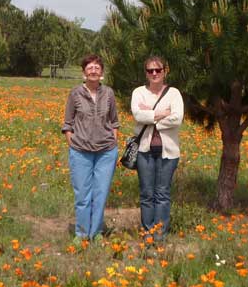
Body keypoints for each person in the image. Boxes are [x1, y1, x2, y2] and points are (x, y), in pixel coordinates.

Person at [62, 54, 120, 241]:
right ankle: (81, 234)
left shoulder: (109, 93)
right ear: (84, 72)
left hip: (106, 152)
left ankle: (96, 233)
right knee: (82, 195)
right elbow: (68, 123)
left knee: (100, 194)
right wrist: (73, 143)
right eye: (90, 67)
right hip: (80, 152)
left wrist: (113, 140)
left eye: (97, 67)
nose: (93, 70)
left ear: (102, 72)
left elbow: (114, 121)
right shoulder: (75, 93)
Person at [130, 56, 183, 242]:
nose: (154, 74)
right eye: (150, 71)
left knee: (162, 193)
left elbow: (177, 118)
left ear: (164, 71)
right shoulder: (138, 92)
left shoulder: (174, 93)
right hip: (144, 151)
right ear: (145, 73)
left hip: (168, 152)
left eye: (157, 70)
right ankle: (147, 233)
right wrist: (161, 114)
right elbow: (137, 114)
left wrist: (150, 115)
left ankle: (159, 234)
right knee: (146, 193)